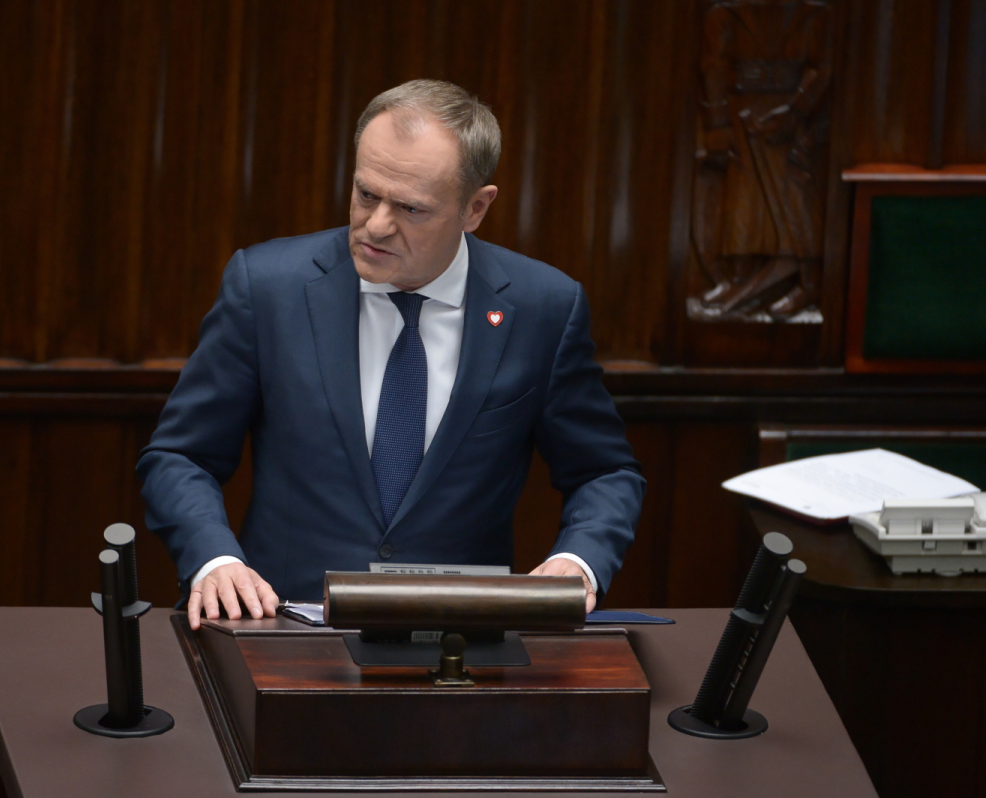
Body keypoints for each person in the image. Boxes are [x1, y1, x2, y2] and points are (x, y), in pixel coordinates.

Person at [138, 80, 645, 631]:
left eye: (410, 208)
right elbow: (180, 457)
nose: (376, 225)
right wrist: (216, 558)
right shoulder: (267, 289)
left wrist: (579, 562)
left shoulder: (543, 307)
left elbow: (604, 471)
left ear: (476, 208)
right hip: (282, 631)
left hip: (460, 646)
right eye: (365, 194)